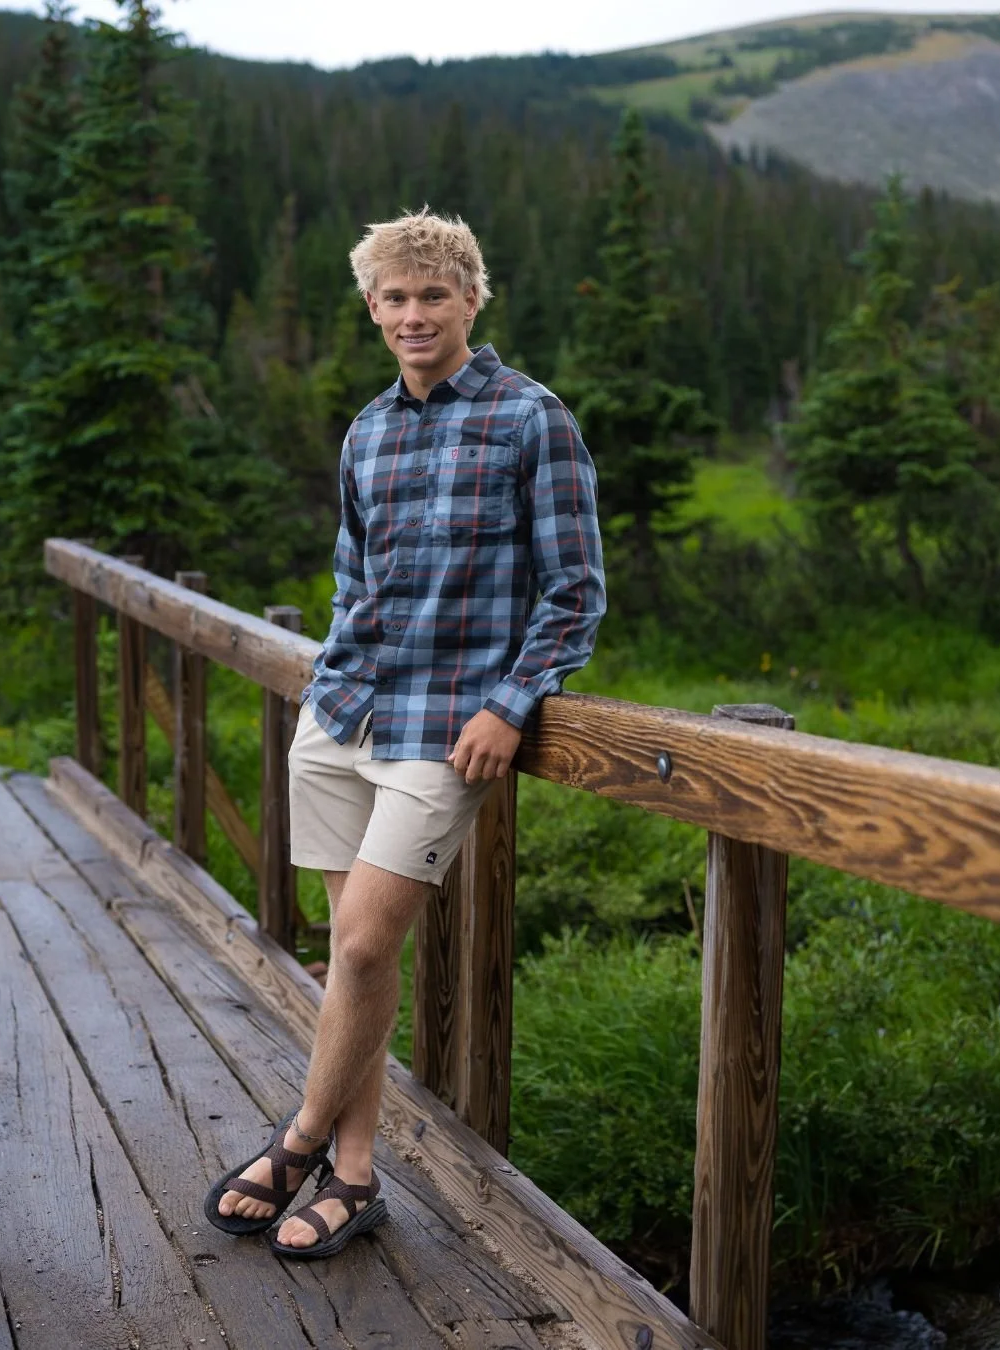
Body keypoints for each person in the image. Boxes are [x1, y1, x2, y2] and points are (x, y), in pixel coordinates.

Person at [205, 208, 605, 1258]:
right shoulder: (369, 430)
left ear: (473, 299)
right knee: (354, 965)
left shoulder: (534, 420)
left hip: (444, 733)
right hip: (343, 716)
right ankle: (355, 1175)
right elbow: (353, 577)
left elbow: (574, 594)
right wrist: (332, 667)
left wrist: (513, 701)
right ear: (372, 308)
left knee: (367, 943)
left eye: (434, 294)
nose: (414, 314)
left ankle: (295, 1140)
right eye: (394, 297)